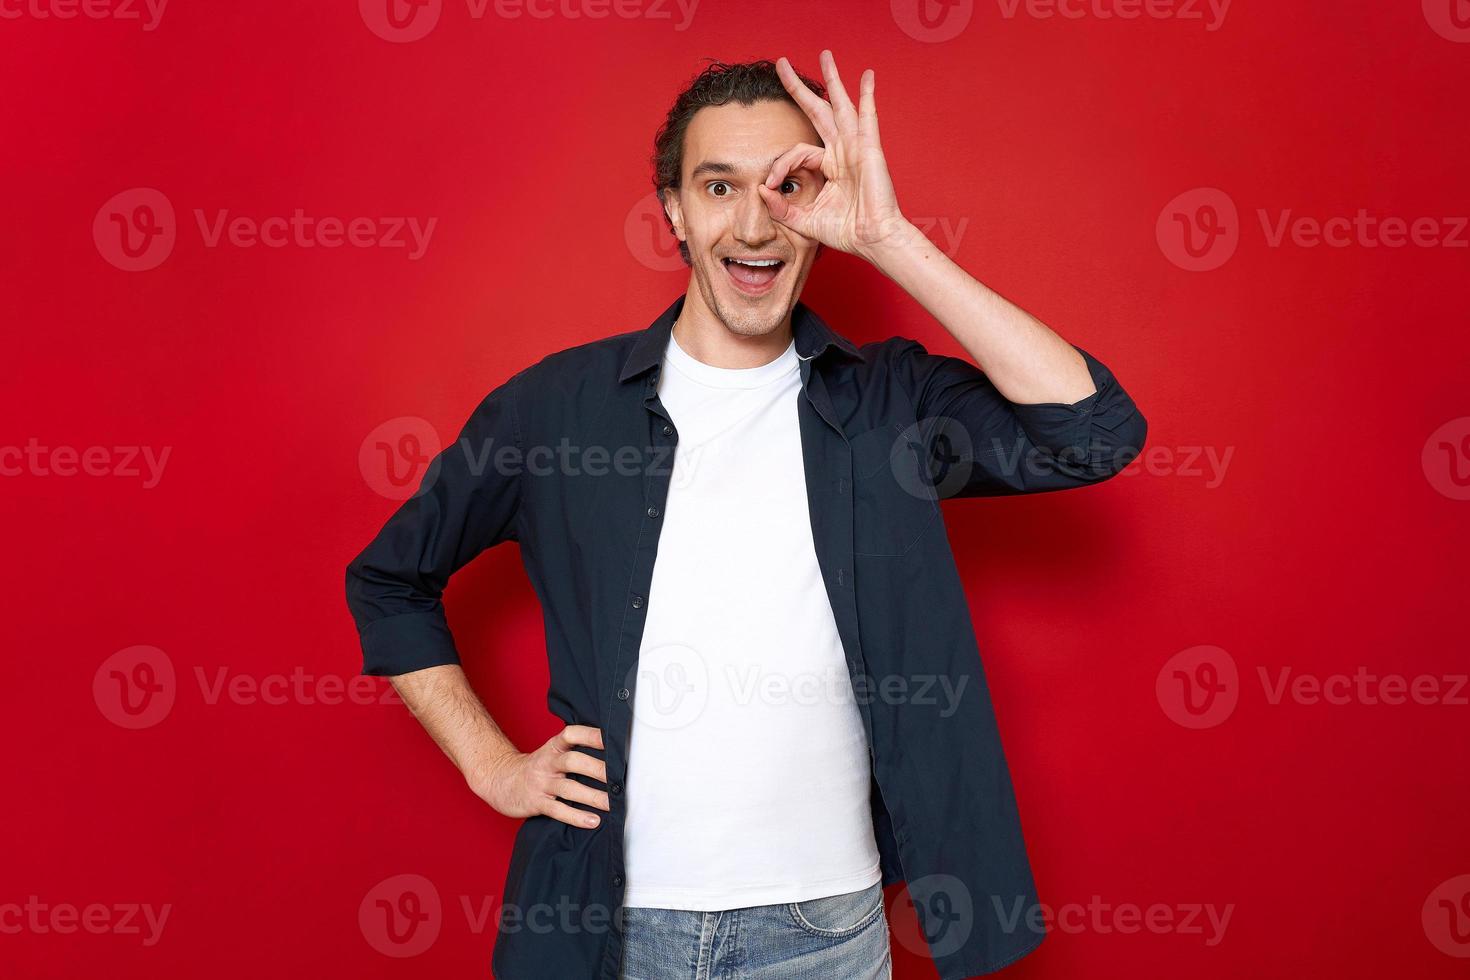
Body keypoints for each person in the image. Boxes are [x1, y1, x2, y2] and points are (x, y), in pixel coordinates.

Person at [345, 51, 1147, 980]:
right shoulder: (553, 412)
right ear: (674, 212)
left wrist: (887, 237)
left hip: (823, 934)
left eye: (788, 185)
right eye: (718, 185)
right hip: (609, 930)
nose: (755, 221)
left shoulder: (890, 403)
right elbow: (388, 580)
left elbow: (1092, 434)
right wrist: (491, 764)